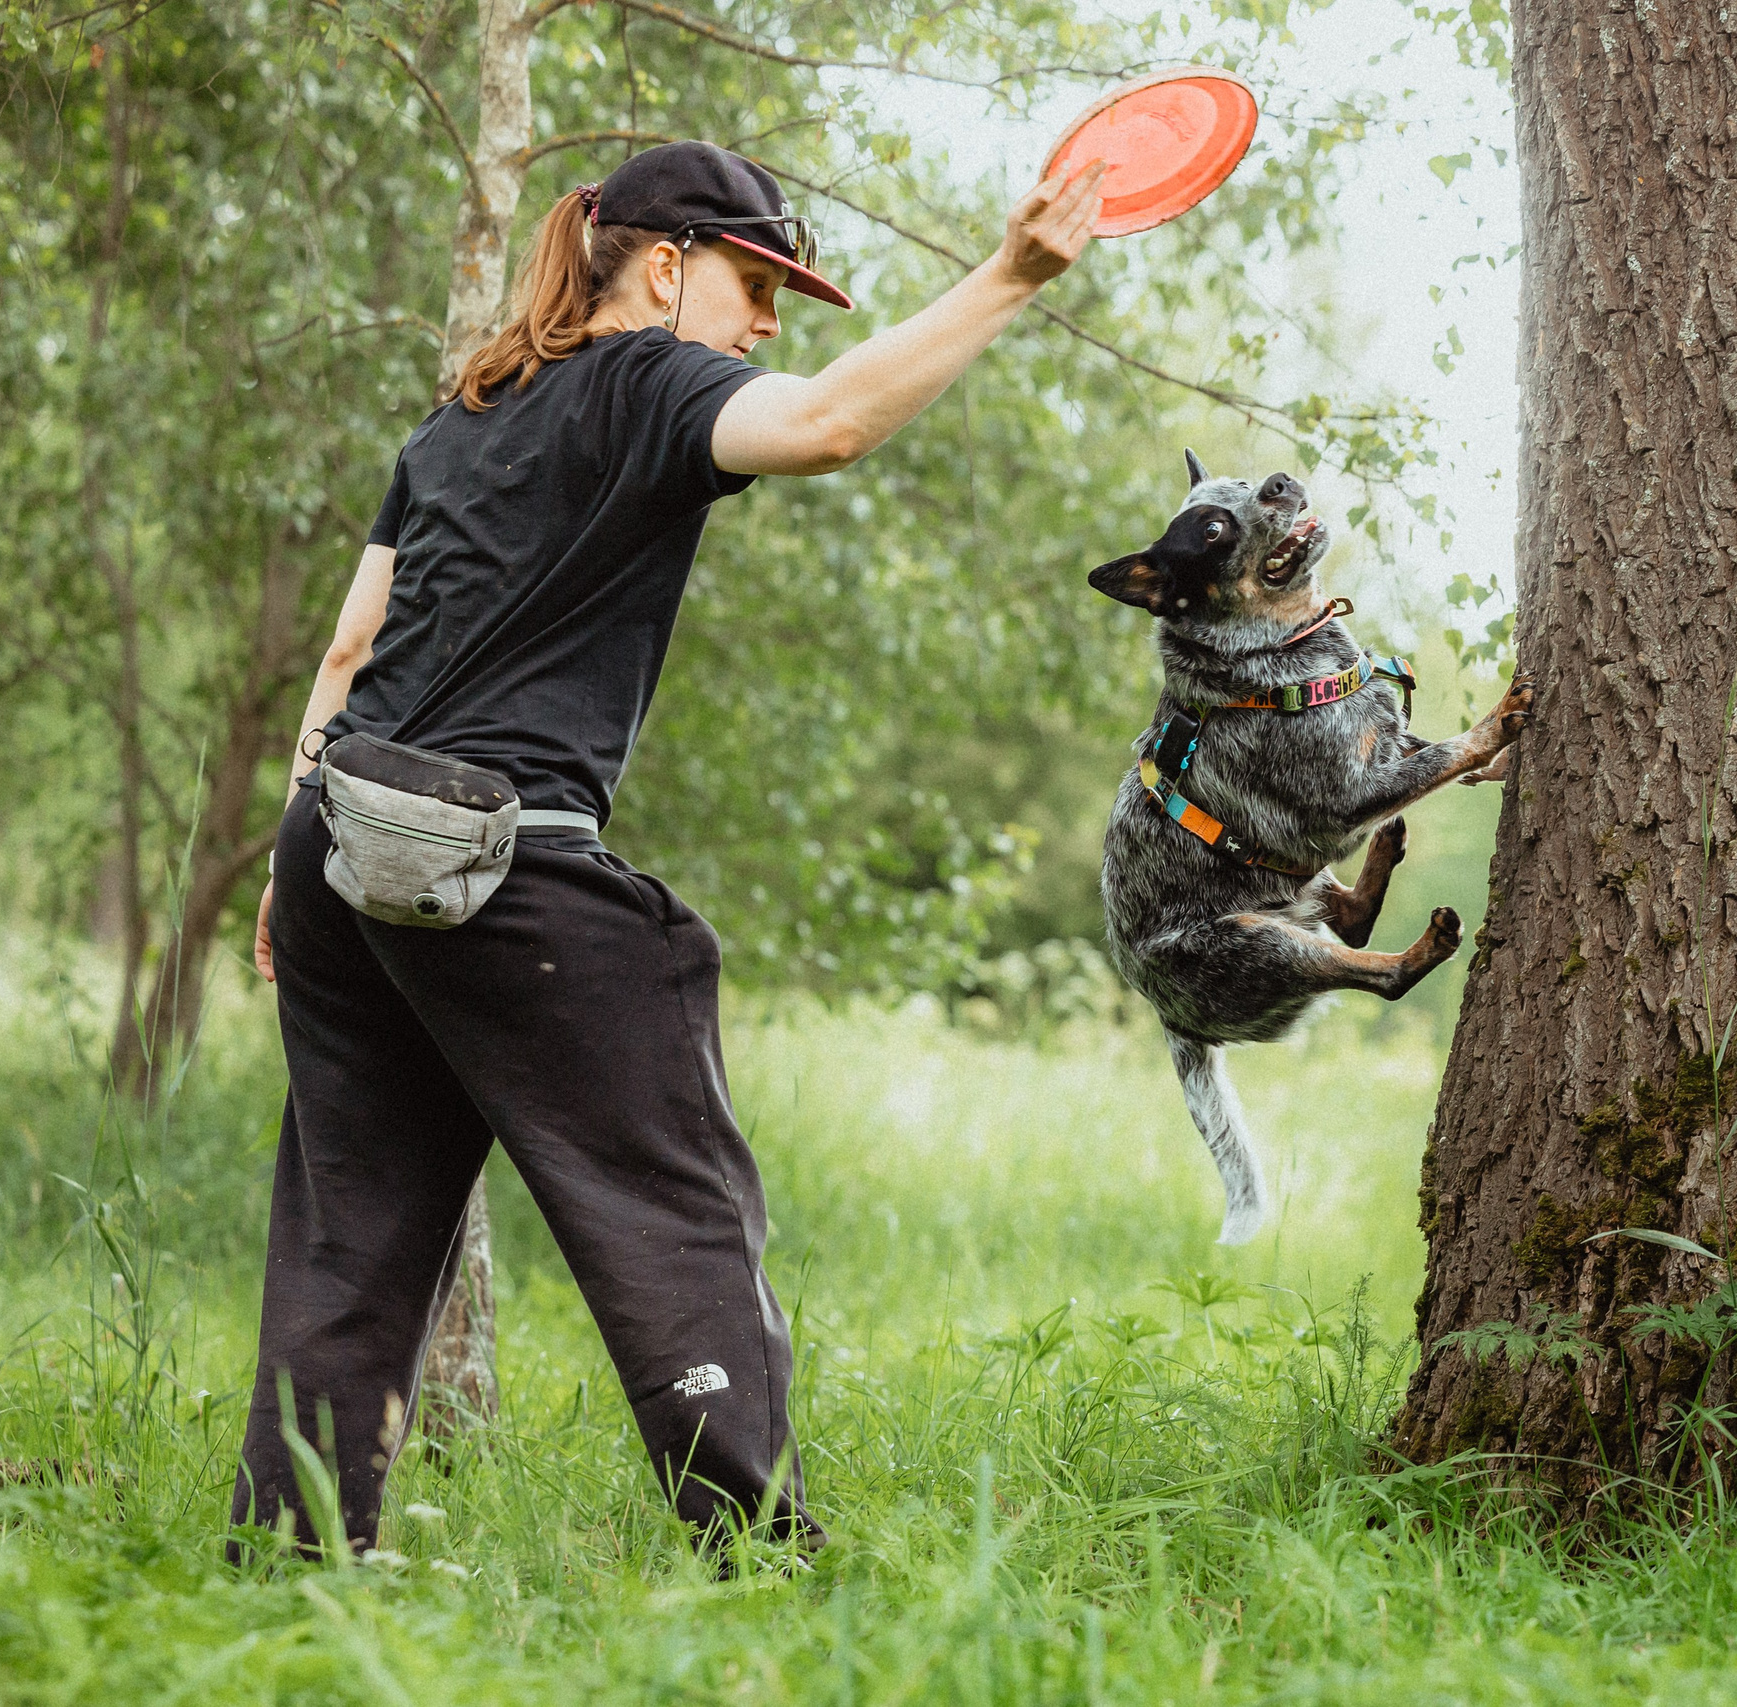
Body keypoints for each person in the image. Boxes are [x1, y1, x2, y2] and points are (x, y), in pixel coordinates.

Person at [232, 140, 1108, 1557]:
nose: (765, 325)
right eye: (756, 285)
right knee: (674, 1202)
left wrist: (289, 857)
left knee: (353, 1230)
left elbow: (350, 647)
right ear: (662, 264)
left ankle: (291, 1553)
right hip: (497, 860)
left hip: (342, 846)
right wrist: (1009, 277)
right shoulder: (649, 377)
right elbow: (825, 424)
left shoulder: (461, 414)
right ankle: (760, 1554)